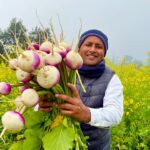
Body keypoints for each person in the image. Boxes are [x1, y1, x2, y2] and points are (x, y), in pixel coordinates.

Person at [39, 29, 124, 150]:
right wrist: (41, 106)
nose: (93, 49)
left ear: (104, 53)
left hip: (96, 145)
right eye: (88, 44)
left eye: (99, 46)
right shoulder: (60, 71)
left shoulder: (111, 78)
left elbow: (115, 114)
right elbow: (45, 100)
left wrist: (87, 114)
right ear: (78, 49)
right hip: (58, 138)